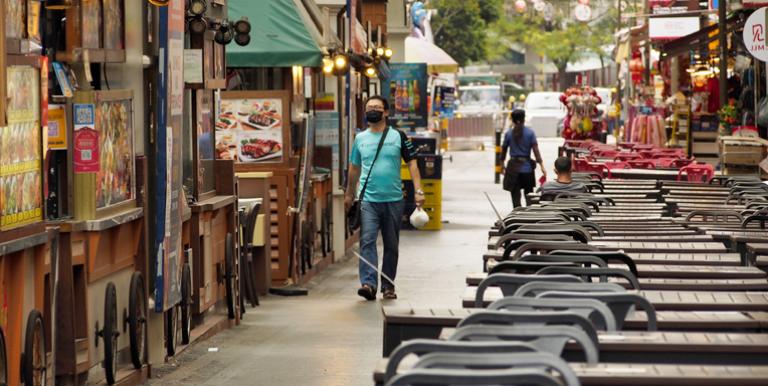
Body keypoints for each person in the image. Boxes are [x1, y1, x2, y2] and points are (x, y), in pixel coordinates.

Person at [345, 95, 424, 301]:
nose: (373, 110)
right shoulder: (360, 138)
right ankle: (368, 284)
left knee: (391, 244)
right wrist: (349, 193)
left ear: (386, 112)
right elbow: (354, 167)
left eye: (377, 107)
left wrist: (419, 190)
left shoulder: (399, 135)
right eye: (369, 107)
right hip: (368, 200)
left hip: (394, 199)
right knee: (367, 241)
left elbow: (412, 164)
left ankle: (388, 285)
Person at [501, 109, 546, 208]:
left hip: (513, 170)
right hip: (527, 170)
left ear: (512, 120)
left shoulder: (508, 134)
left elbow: (503, 151)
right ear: (523, 119)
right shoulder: (530, 133)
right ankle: (529, 218)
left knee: (515, 200)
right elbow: (536, 151)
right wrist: (542, 166)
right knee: (529, 197)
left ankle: (517, 217)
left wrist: (502, 165)